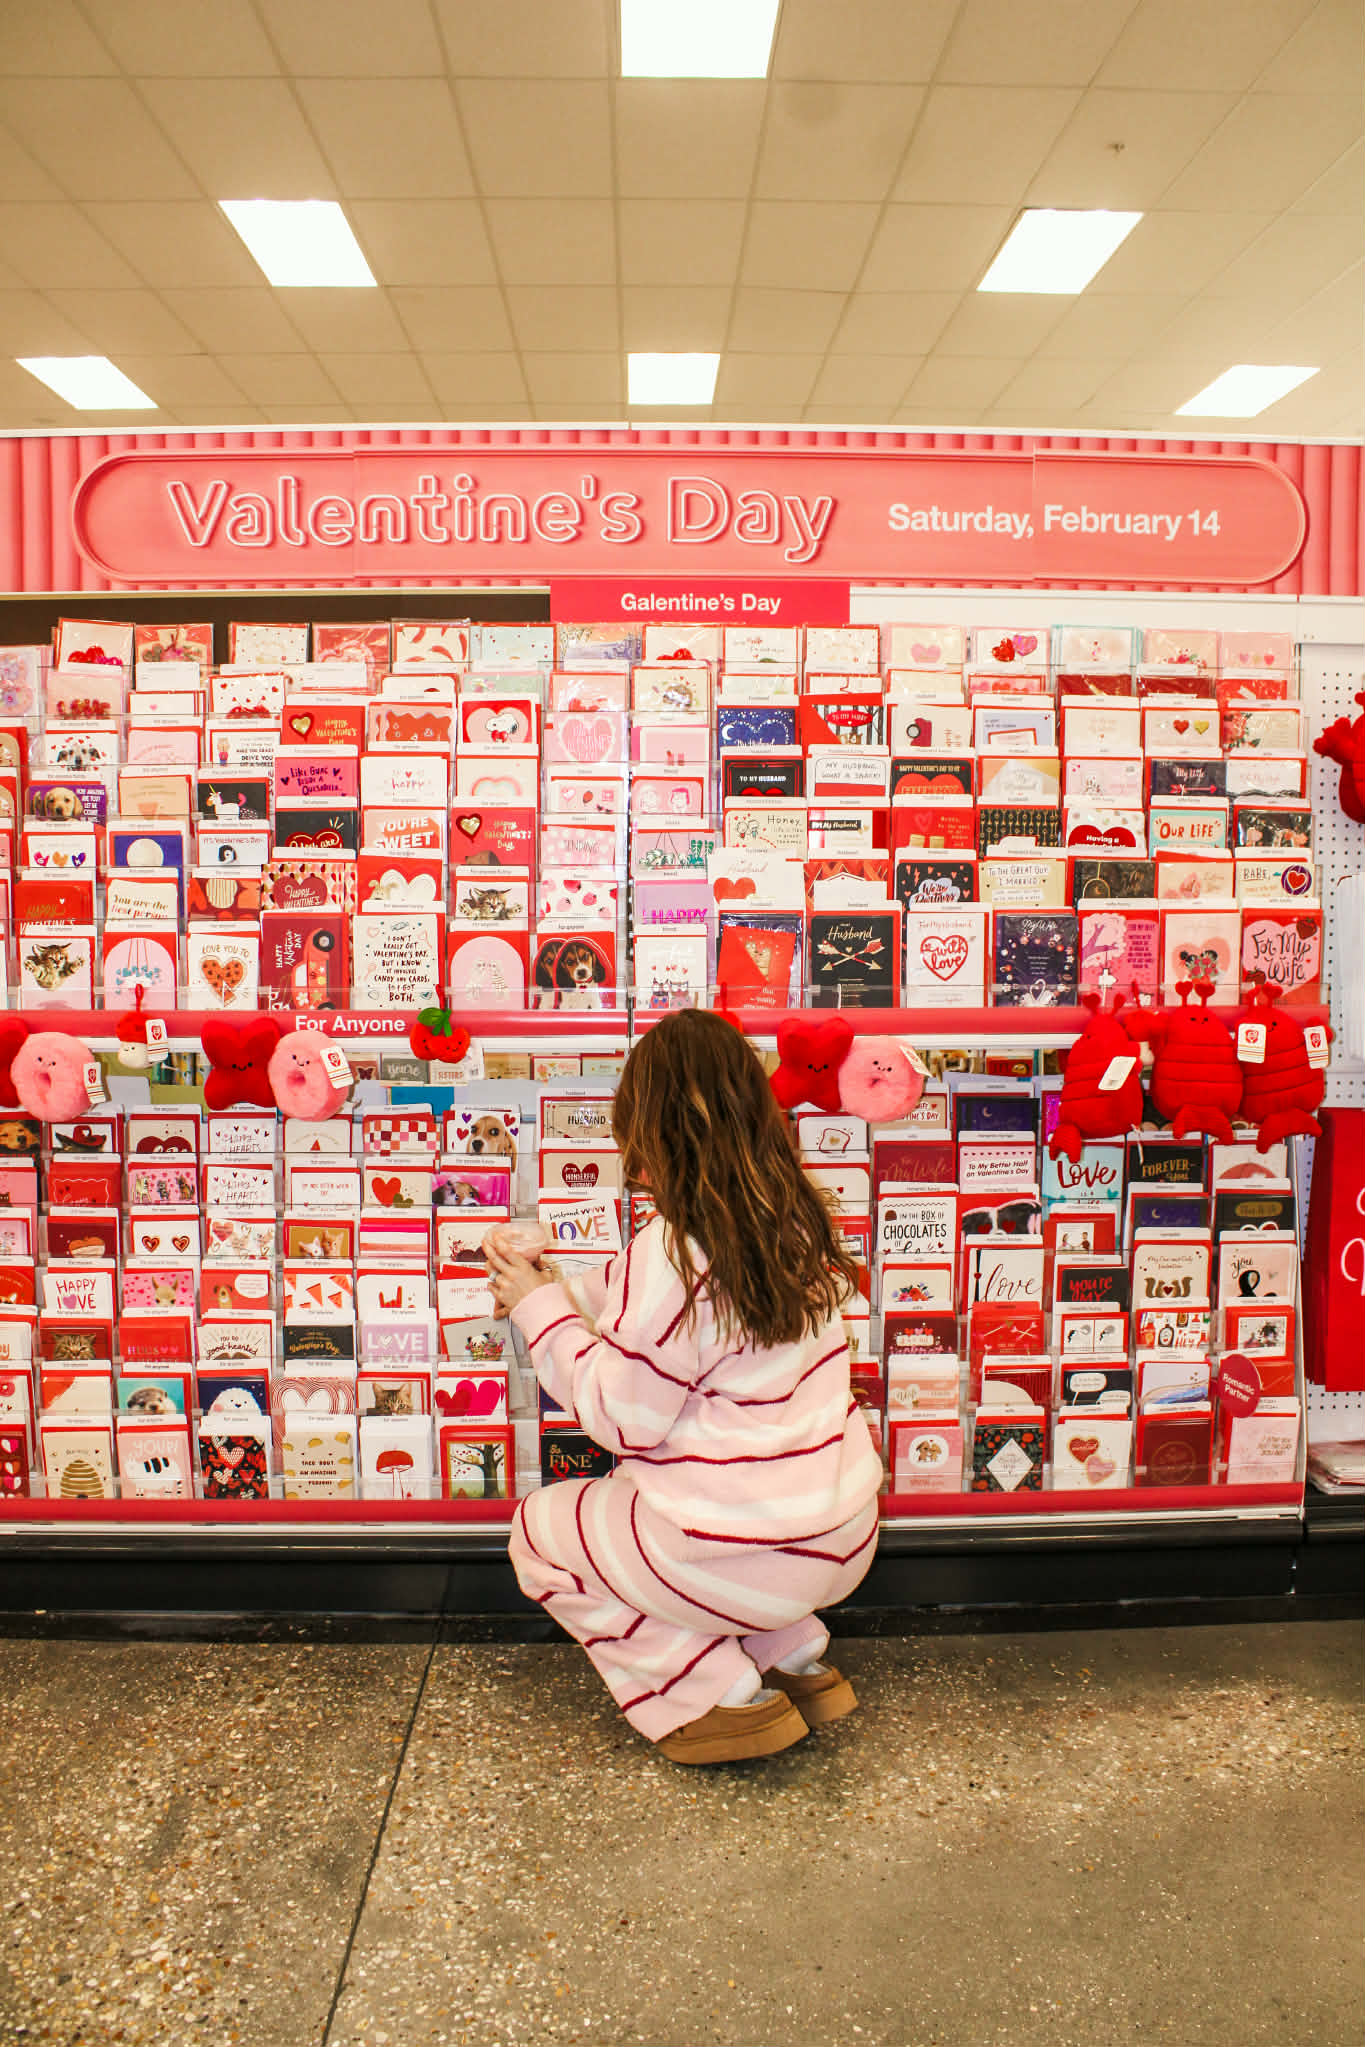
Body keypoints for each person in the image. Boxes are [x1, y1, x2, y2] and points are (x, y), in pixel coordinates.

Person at [486, 1009, 882, 1767]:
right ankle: (790, 1654)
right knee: (667, 1506)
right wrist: (552, 1281)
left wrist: (538, 1310)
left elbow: (620, 1418)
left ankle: (716, 1695)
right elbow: (644, 1304)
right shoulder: (790, 1220)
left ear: (649, 1131)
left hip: (745, 1554)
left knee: (541, 1532)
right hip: (839, 1535)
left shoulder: (670, 1252)